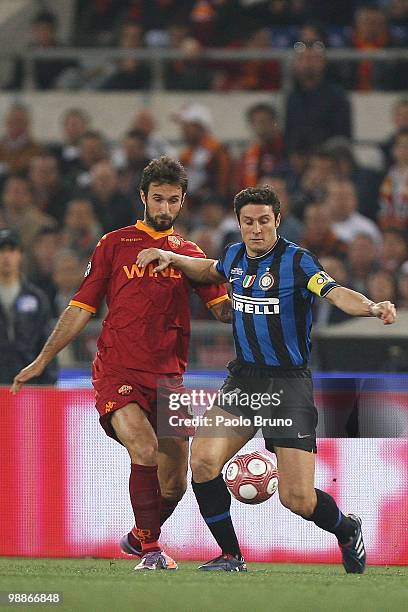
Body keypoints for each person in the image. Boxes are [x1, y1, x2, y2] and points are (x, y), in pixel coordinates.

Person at [136, 185, 396, 573]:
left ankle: (346, 528)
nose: (255, 230)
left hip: (288, 385)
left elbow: (336, 292)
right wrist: (170, 255)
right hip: (244, 381)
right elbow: (209, 269)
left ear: (277, 220)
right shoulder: (234, 256)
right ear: (239, 224)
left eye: (263, 221)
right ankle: (230, 555)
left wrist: (372, 306)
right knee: (203, 463)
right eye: (248, 222)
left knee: (297, 499)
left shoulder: (298, 262)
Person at [11, 156, 230, 571]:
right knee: (143, 447)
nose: (165, 208)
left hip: (169, 379)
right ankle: (151, 553)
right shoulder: (115, 244)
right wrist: (43, 358)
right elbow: (81, 307)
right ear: (143, 197)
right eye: (158, 199)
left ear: (182, 202)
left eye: (173, 200)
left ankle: (138, 536)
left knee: (176, 483)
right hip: (119, 371)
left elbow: (224, 312)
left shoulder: (189, 254)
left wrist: (258, 284)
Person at [0, 228, 57, 385]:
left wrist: (49, 385)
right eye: (1, 250)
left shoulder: (37, 298)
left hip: (29, 385)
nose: (6, 256)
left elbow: (48, 343)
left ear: (20, 255)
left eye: (11, 250)